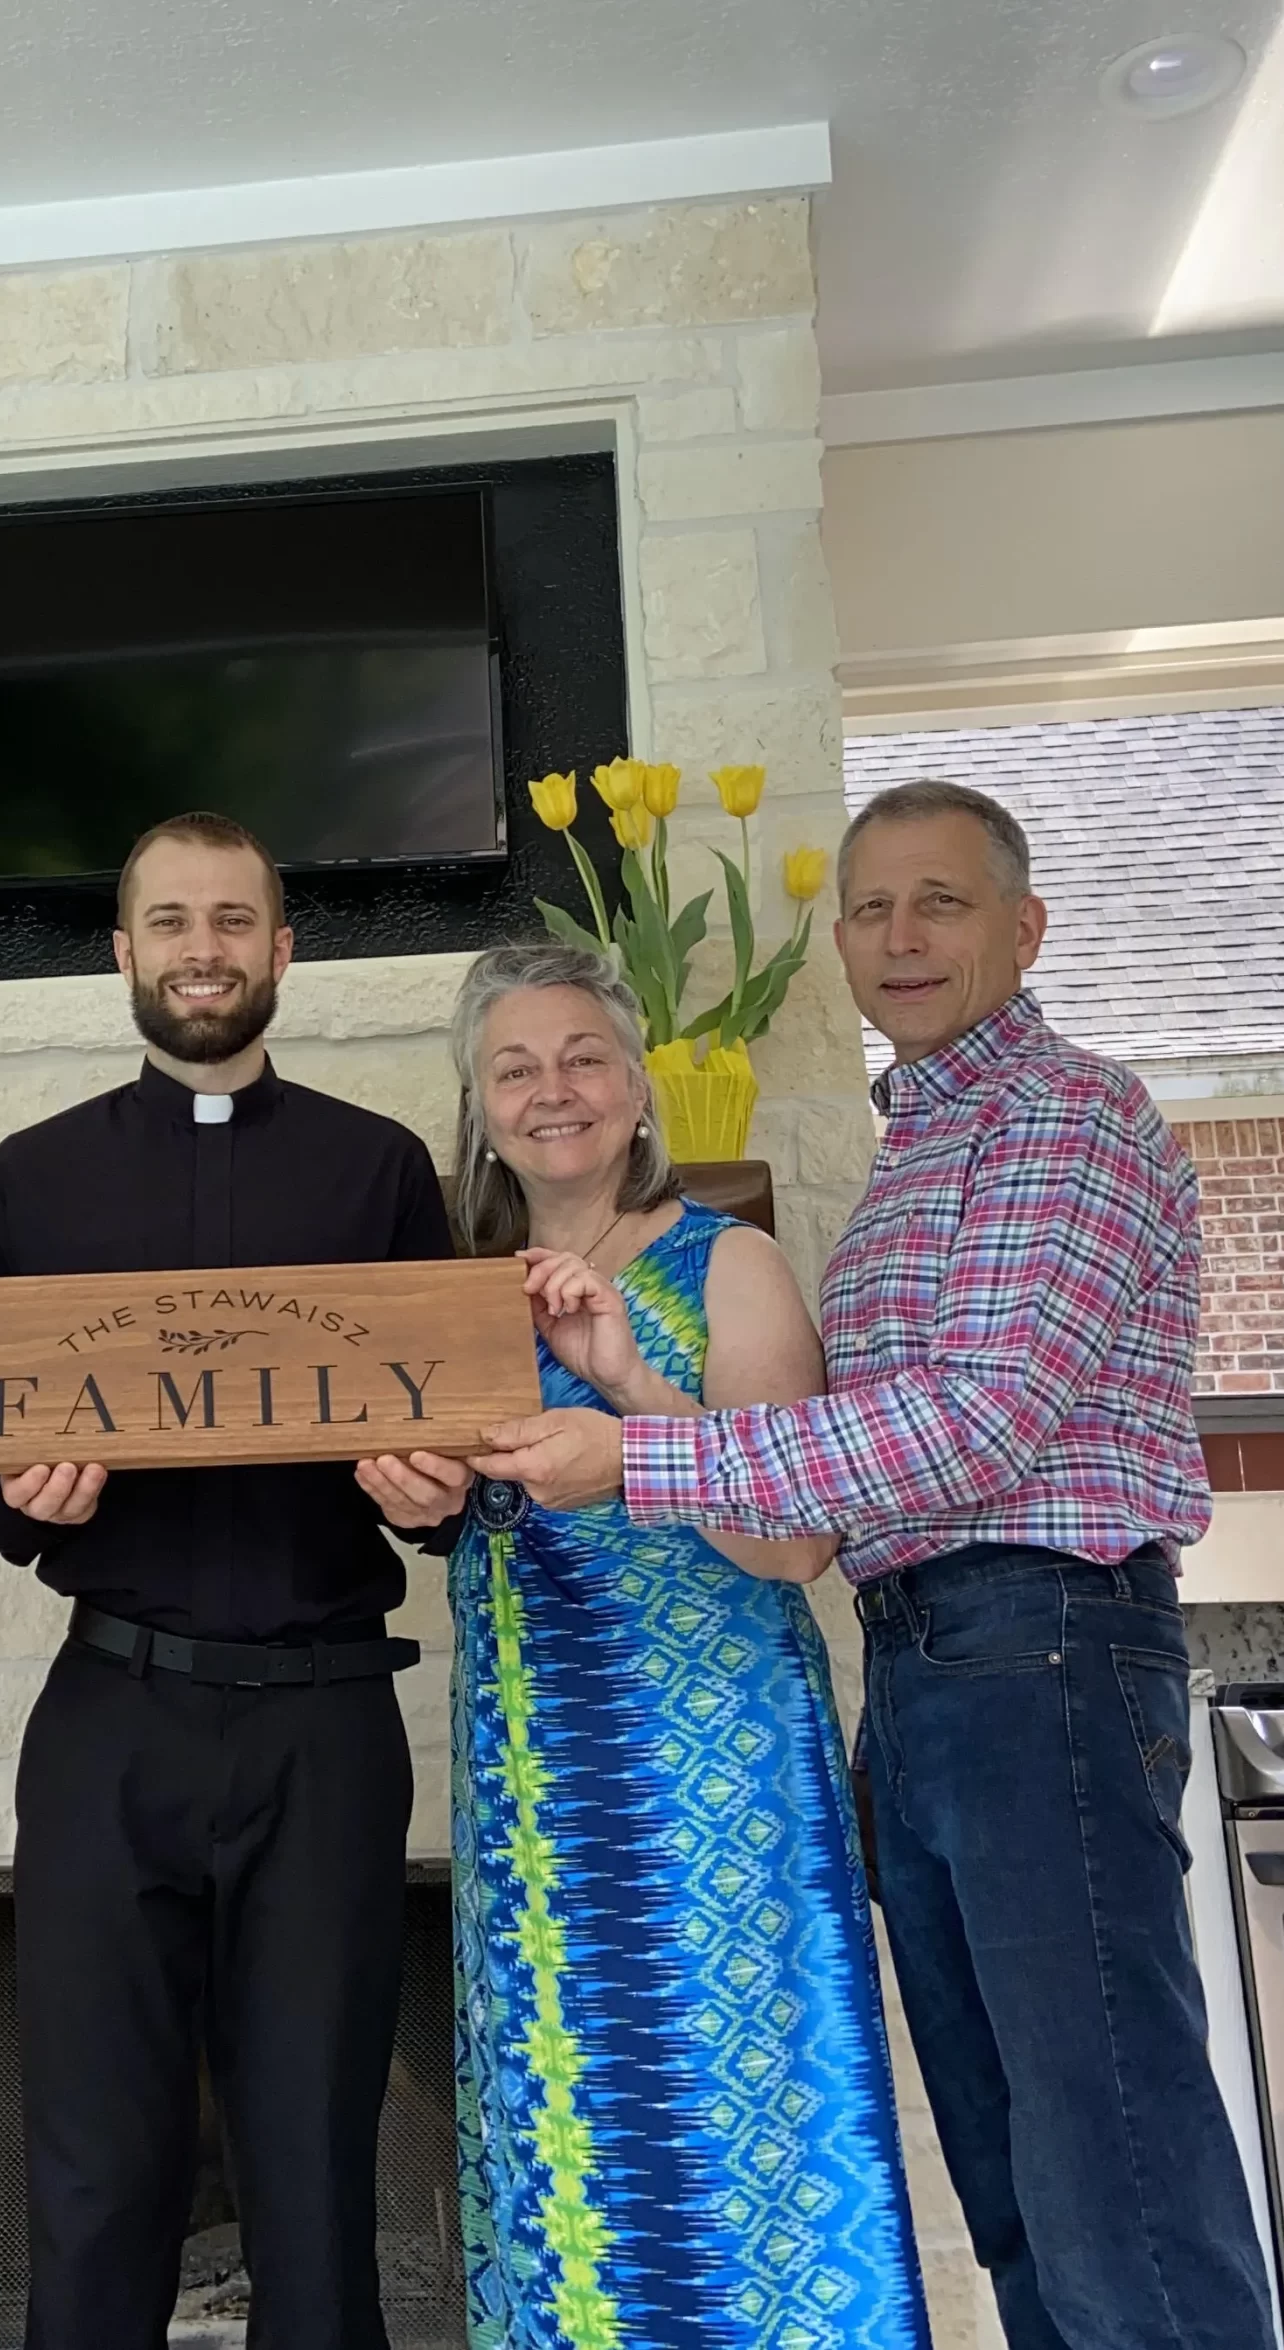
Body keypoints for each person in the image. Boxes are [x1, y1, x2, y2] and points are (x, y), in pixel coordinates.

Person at [474, 781, 1277, 2350]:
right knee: (1018, 2179)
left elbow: (981, 1424)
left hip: (1045, 1642)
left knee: (1113, 2160)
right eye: (871, 909)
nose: (901, 938)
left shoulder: (1066, 1117)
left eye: (943, 902)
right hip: (922, 1668)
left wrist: (642, 1448)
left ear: (1024, 926)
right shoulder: (922, 1150)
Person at [0, 812, 468, 2350]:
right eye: (169, 919)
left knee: (315, 2175)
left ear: (282, 949)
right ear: (121, 952)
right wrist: (18, 1500)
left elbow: (439, 1447)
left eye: (233, 919)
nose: (202, 948)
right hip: (114, 1712)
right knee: (98, 2173)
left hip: (326, 1725)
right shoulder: (26, 1184)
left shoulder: (380, 1172)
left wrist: (437, 1500)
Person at [432, 939, 930, 2349]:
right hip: (538, 1784)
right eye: (515, 1068)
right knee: (571, 2150)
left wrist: (634, 1393)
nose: (554, 1092)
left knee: (743, 2127)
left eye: (584, 1055)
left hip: (717, 1784)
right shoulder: (456, 1291)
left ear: (639, 1085)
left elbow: (798, 1540)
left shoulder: (733, 1259)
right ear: (479, 1107)